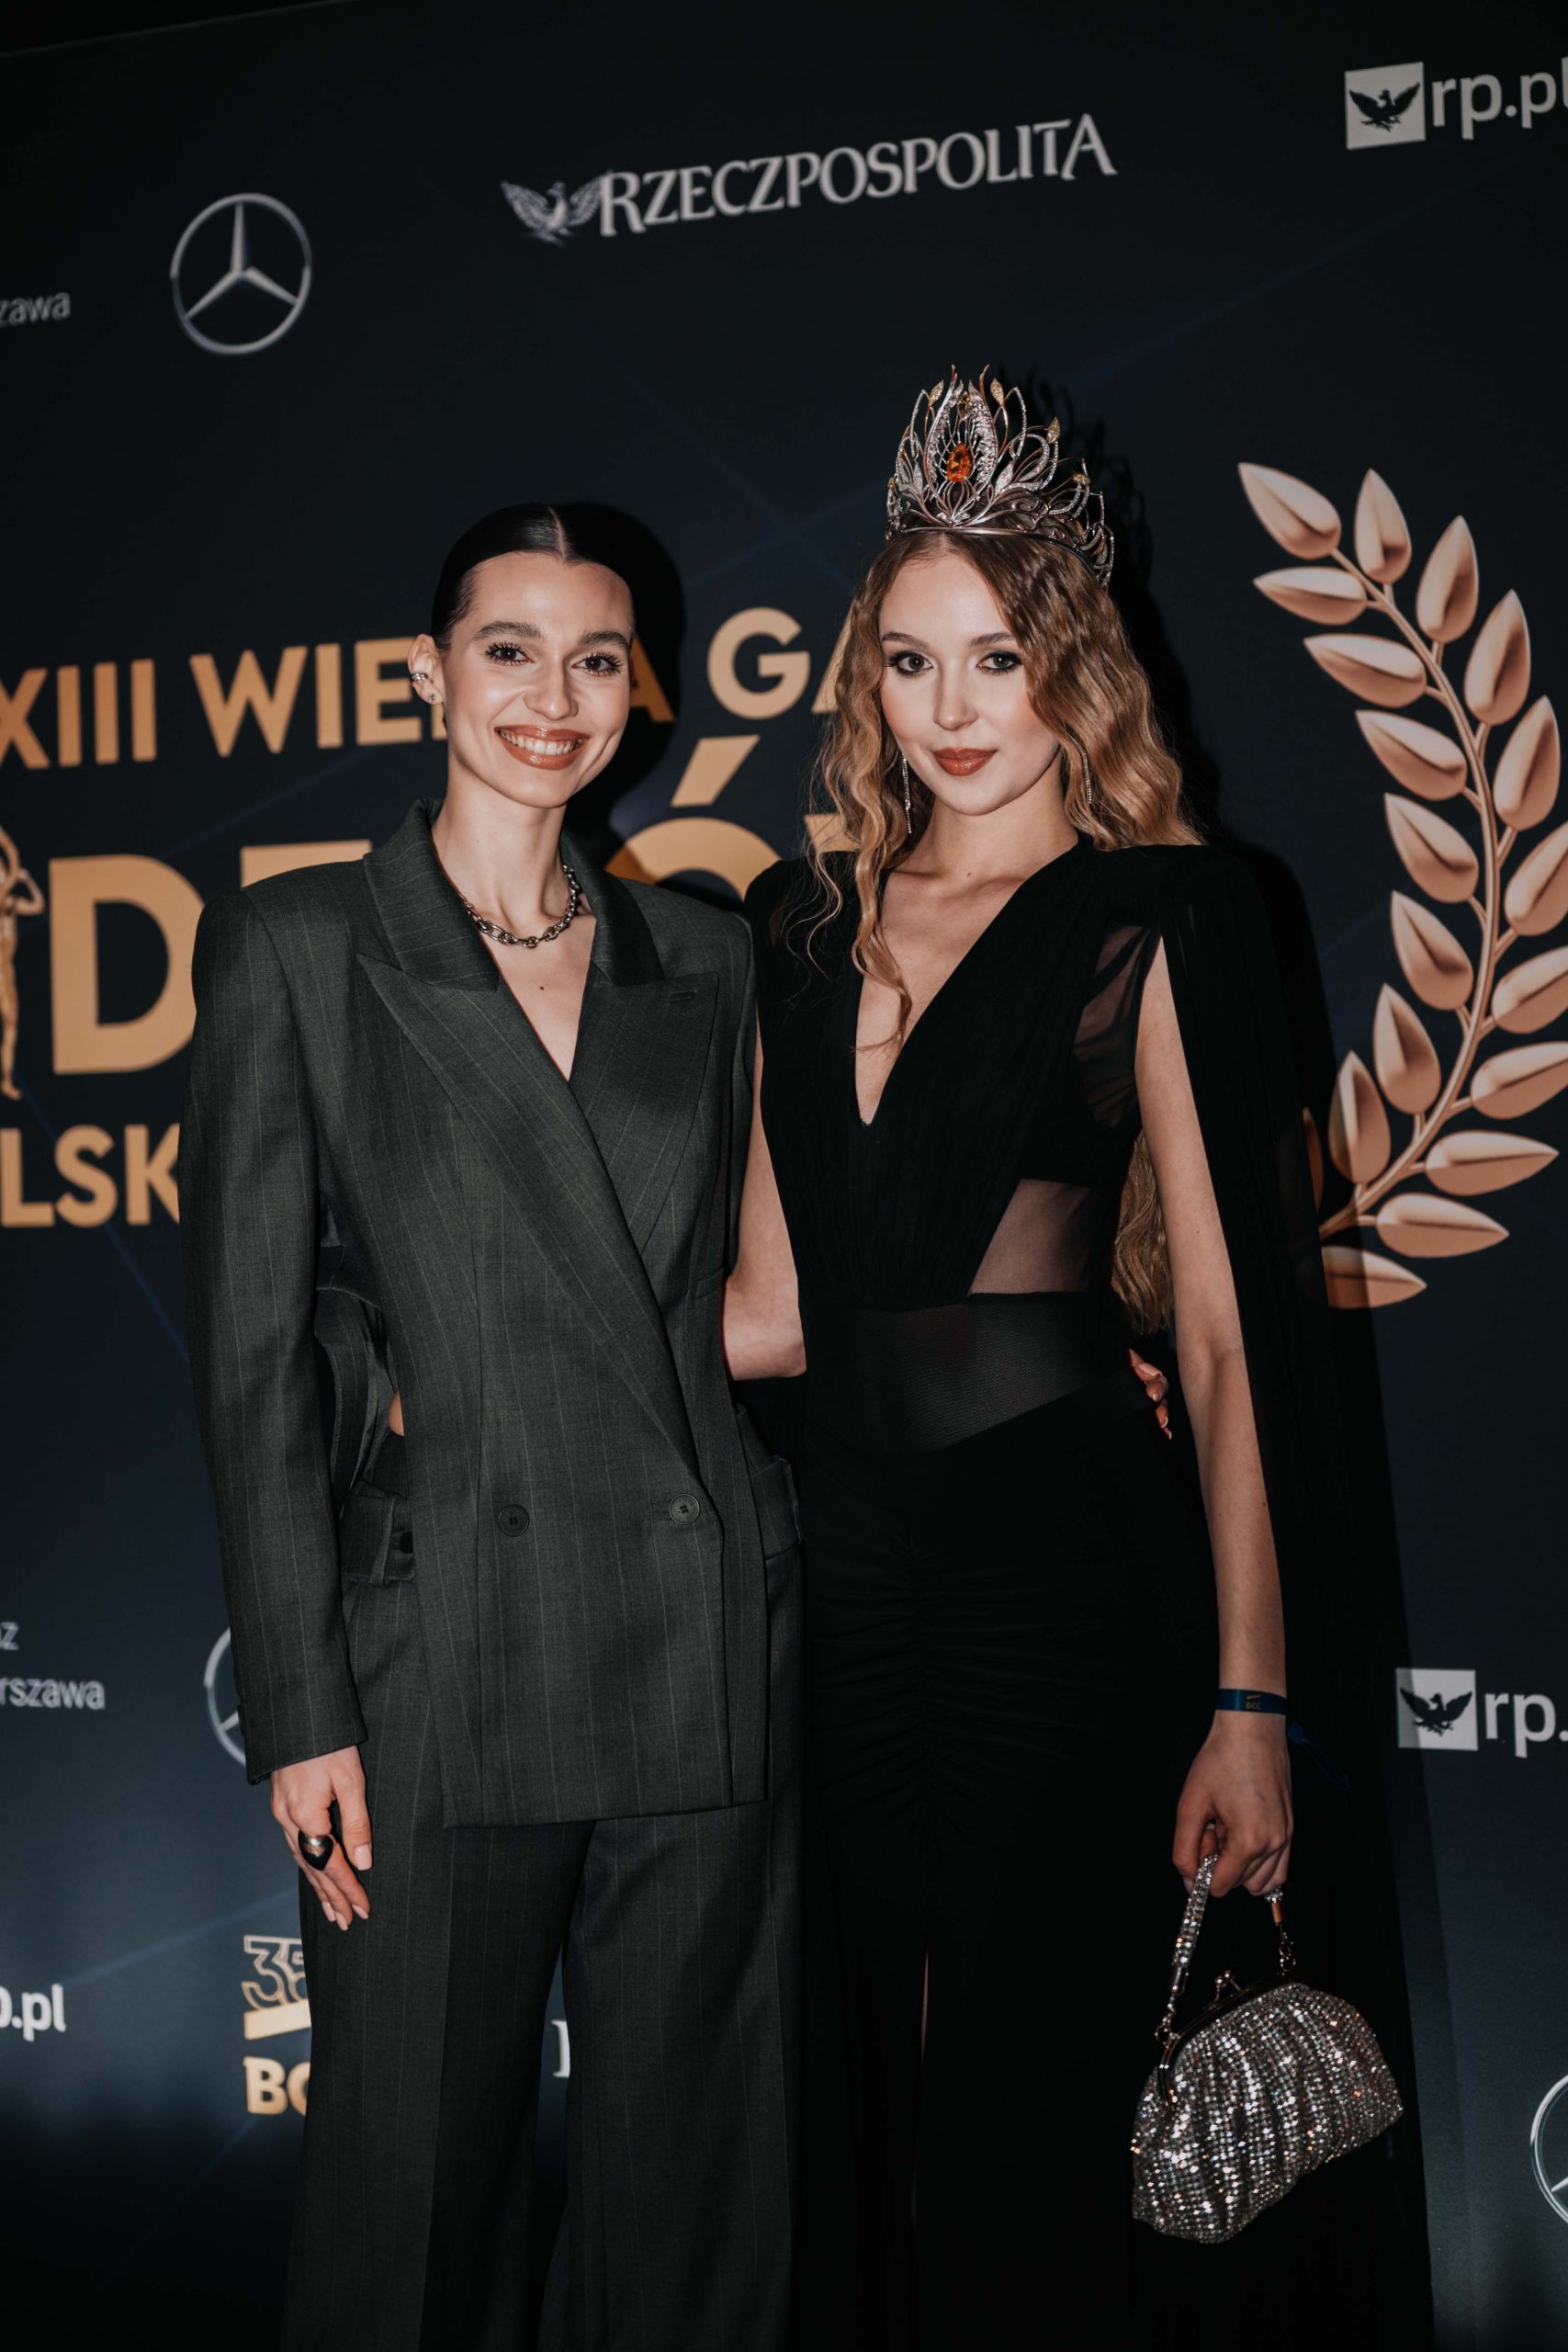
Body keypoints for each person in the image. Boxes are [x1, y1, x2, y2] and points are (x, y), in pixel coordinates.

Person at [726, 373, 1421, 2347]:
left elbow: (1222, 1337)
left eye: (998, 657)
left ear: (1073, 665)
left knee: (1040, 2102)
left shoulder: (1160, 914)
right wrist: (483, 1353)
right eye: (912, 659)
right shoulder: (796, 924)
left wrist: (1250, 1699)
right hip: (846, 1598)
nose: (953, 708)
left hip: (1067, 1586)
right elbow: (766, 1310)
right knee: (875, 2108)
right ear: (868, 674)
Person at [181, 503, 802, 2352]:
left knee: (693, 2217)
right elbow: (246, 1354)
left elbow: (764, 1302)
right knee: (410, 2212)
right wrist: (300, 1705)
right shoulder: (300, 944)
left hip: (701, 1631)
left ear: (638, 692)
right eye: (509, 648)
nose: (554, 694)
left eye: (596, 657)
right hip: (435, 1651)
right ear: (431, 674)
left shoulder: (705, 957)